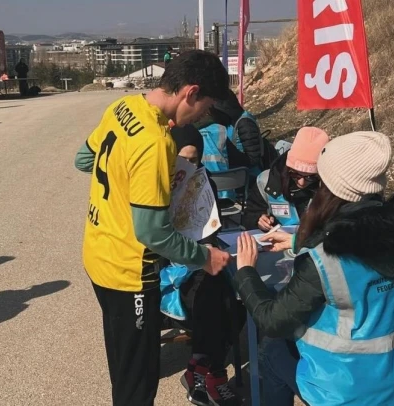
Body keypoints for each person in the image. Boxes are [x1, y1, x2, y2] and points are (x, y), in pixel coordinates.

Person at [235, 131, 394, 406]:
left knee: (272, 349)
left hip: (344, 394)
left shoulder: (327, 259)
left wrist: (245, 272)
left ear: (329, 185)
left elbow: (273, 321)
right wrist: (297, 241)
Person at [73, 49, 232, 406]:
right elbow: (152, 233)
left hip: (98, 254)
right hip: (130, 273)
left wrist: (136, 179)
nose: (201, 117)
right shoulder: (155, 141)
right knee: (138, 384)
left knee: (123, 365)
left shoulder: (123, 107)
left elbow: (84, 159)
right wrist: (204, 257)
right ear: (190, 92)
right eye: (204, 108)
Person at [160, 124, 244, 406]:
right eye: (182, 159)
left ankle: (202, 368)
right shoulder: (155, 182)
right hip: (165, 269)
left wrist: (206, 248)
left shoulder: (203, 181)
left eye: (194, 160)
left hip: (197, 258)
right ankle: (210, 372)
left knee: (232, 295)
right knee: (212, 294)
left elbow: (209, 228)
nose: (187, 166)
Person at [242, 127, 329, 231]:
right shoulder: (265, 181)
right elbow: (249, 215)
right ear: (287, 168)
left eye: (311, 177)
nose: (301, 182)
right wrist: (258, 220)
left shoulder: (332, 188)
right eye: (295, 174)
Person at [213, 90, 263, 174]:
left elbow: (253, 159)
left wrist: (230, 155)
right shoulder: (228, 122)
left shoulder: (245, 123)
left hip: (249, 175)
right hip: (235, 172)